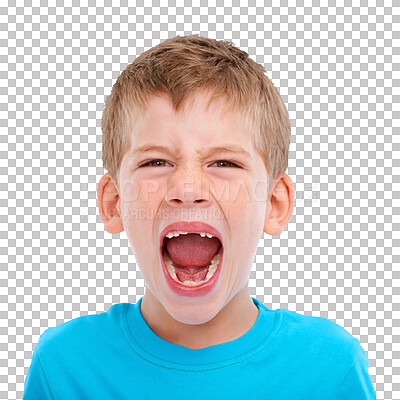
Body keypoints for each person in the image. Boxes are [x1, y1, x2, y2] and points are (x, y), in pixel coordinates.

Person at [23, 34, 376, 399]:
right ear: (114, 202)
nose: (188, 188)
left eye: (224, 162)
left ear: (274, 204)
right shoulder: (64, 365)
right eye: (155, 162)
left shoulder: (329, 368)